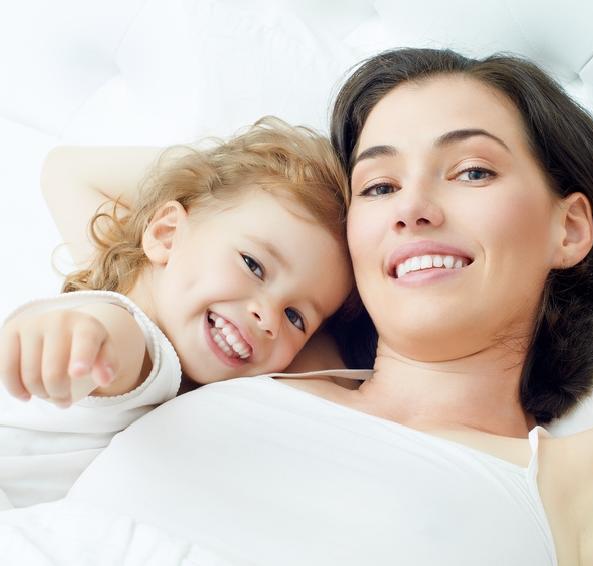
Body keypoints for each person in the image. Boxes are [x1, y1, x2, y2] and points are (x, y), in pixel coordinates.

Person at [1, 48, 593, 566]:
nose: (410, 208)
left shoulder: (571, 478)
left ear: (569, 227)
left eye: (472, 172)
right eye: (379, 187)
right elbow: (79, 179)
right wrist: (246, 187)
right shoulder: (235, 353)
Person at [0, 117, 353, 509]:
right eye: (253, 265)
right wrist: (83, 341)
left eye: (295, 317)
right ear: (165, 234)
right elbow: (117, 341)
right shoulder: (134, 334)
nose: (268, 317)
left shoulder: (156, 294)